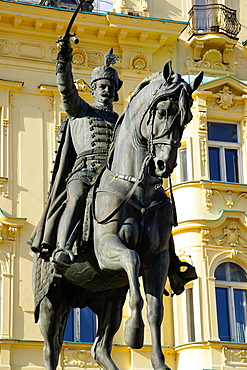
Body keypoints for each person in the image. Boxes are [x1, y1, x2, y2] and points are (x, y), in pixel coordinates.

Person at [28, 38, 122, 273]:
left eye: (111, 88)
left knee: (151, 202)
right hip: (86, 171)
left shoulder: (120, 121)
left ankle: (169, 261)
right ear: (93, 89)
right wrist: (64, 59)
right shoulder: (81, 110)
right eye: (103, 87)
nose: (107, 91)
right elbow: (66, 88)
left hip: (114, 177)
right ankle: (63, 248)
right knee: (78, 196)